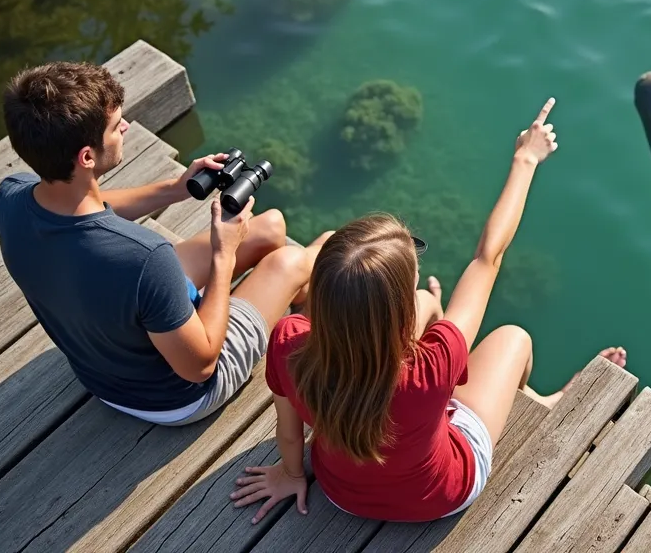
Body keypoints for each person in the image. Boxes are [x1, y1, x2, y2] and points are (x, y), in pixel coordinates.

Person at [228, 97, 627, 523]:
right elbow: (487, 257)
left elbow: (289, 434)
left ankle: (433, 308)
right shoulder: (433, 364)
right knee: (513, 338)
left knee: (429, 307)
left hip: (341, 492)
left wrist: (291, 475)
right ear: (395, 311)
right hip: (442, 495)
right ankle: (539, 399)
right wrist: (526, 159)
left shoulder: (290, 342)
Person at [0, 60, 329, 427]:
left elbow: (86, 208)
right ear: (86, 157)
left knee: (269, 227)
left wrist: (176, 189)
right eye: (114, 125)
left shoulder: (10, 197)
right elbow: (200, 366)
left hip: (102, 364)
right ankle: (314, 331)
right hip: (175, 398)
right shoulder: (144, 258)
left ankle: (300, 305)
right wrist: (223, 255)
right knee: (298, 258)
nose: (124, 126)